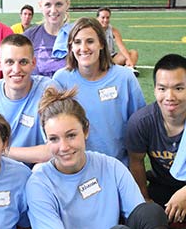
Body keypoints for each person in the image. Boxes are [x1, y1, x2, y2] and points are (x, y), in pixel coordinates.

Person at [26, 87, 168, 229]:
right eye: (54, 139)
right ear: (46, 139)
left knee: (151, 212)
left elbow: (140, 213)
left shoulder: (111, 166)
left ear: (86, 131)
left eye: (71, 135)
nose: (63, 147)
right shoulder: (40, 183)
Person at [53, 17, 145, 166]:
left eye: (90, 41)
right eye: (77, 42)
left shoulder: (124, 78)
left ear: (101, 44)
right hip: (77, 167)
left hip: (118, 166)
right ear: (70, 46)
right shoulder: (61, 79)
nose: (83, 48)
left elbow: (139, 125)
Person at [0, 34, 57, 165]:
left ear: (33, 63)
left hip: (37, 174)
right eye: (10, 62)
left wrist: (2, 150)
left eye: (23, 62)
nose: (16, 69)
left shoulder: (48, 91)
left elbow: (55, 150)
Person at [126, 54, 186, 224]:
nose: (170, 96)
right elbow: (136, 161)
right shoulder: (141, 123)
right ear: (154, 90)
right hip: (161, 186)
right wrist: (145, 199)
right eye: (162, 88)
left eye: (179, 88)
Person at [23, 0, 72, 77]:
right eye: (48, 5)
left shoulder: (77, 35)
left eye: (58, 4)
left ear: (67, 4)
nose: (53, 10)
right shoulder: (29, 37)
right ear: (40, 6)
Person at [97, 7, 139, 76]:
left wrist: (129, 60)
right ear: (97, 18)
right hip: (99, 59)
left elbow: (121, 46)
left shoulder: (113, 30)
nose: (105, 20)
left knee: (133, 53)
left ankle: (129, 68)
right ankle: (117, 70)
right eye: (103, 17)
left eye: (107, 17)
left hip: (112, 58)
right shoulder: (93, 30)